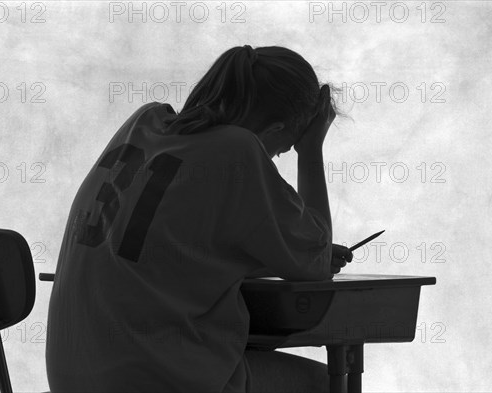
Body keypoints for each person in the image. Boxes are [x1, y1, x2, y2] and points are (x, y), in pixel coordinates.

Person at [46, 45, 353, 393]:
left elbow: (167, 248)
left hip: (72, 378)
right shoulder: (237, 150)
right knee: (327, 383)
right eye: (281, 150)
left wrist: (267, 256)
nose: (274, 161)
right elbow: (315, 262)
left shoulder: (143, 124)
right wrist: (310, 151)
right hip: (152, 379)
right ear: (275, 128)